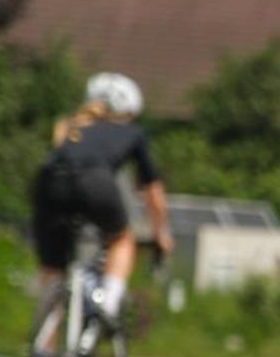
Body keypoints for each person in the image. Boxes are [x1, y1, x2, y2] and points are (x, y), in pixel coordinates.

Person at [31, 70, 173, 328]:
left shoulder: (69, 127)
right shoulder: (132, 133)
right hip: (94, 181)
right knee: (122, 238)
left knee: (53, 272)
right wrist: (161, 233)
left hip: (47, 182)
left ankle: (45, 355)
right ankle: (107, 305)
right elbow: (153, 193)